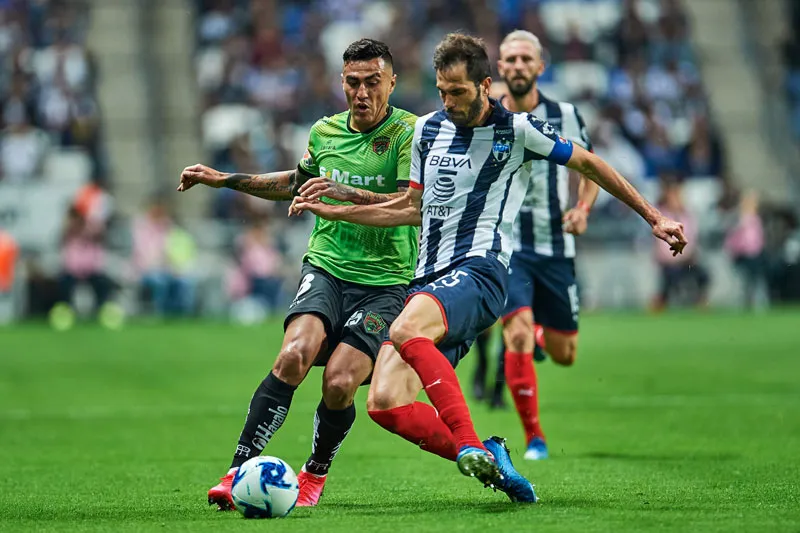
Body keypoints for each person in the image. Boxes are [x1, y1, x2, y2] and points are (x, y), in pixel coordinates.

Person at [293, 33, 687, 503]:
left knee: (404, 328)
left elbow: (590, 163)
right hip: (428, 281)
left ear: (484, 84)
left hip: (480, 272)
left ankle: (465, 444)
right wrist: (343, 209)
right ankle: (492, 458)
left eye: (457, 91)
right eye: (441, 91)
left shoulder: (518, 129)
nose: (448, 101)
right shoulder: (426, 131)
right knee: (384, 403)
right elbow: (409, 207)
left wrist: (654, 217)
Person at [178, 39, 419, 509]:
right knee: (294, 355)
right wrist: (222, 178)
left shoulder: (411, 133)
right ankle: (233, 473)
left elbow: (412, 206)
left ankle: (315, 471)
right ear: (341, 82)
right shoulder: (324, 132)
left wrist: (343, 193)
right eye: (353, 82)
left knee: (339, 383)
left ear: (391, 82)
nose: (363, 93)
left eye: (373, 82)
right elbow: (296, 182)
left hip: (386, 281)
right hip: (327, 267)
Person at [490, 30, 600, 461]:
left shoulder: (566, 115)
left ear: (540, 66)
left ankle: (538, 329)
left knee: (565, 353)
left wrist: (583, 210)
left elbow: (591, 168)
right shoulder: (488, 113)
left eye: (525, 59)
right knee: (515, 335)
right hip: (506, 246)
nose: (517, 66)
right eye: (510, 59)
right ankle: (535, 438)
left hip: (555, 246)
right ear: (499, 68)